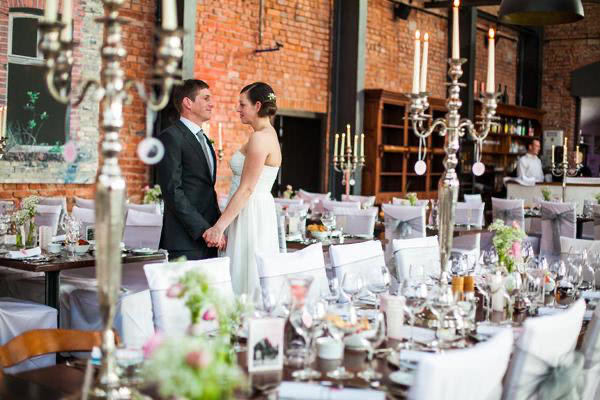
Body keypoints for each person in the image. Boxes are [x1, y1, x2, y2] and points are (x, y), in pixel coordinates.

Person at [203, 82, 281, 295]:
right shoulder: (266, 134)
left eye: (242, 104)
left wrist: (218, 227)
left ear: (257, 106)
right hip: (249, 210)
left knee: (244, 274)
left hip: (250, 212)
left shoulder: (260, 138)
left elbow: (247, 189)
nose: (238, 109)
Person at [157, 79, 224, 260]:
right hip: (184, 240)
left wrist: (217, 228)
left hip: (209, 236)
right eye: (206, 98)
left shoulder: (203, 139)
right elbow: (173, 191)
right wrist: (204, 230)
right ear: (188, 102)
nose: (212, 104)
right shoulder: (170, 137)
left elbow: (207, 189)